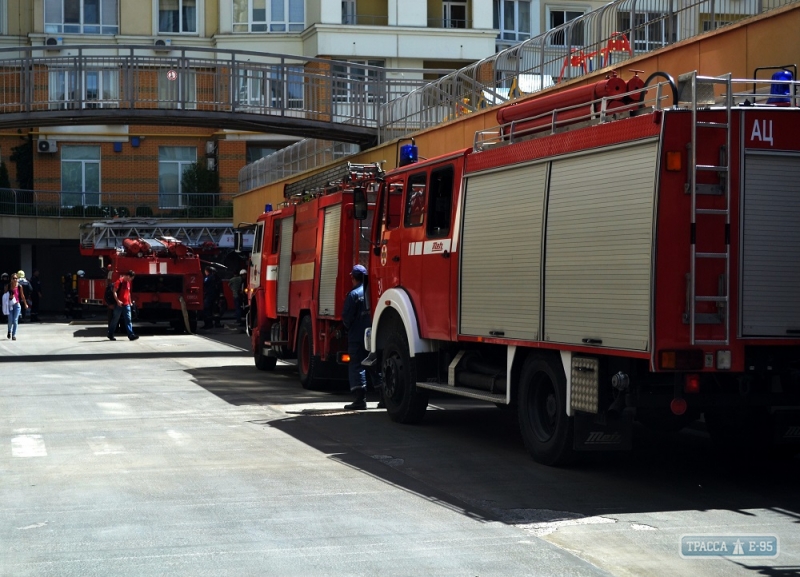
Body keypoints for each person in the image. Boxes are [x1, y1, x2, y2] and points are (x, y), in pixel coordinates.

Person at [342, 264, 375, 410]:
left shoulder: (353, 294)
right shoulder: (371, 292)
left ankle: (360, 400)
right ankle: (384, 397)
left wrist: (348, 328)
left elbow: (347, 318)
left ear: (353, 277)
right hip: (371, 334)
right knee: (374, 364)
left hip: (356, 336)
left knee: (357, 365)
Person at [107, 270, 139, 341]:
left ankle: (131, 335)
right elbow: (114, 291)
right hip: (119, 305)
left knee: (128, 320)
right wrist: (118, 301)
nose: (131, 280)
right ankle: (110, 334)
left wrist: (130, 302)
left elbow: (128, 293)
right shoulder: (119, 281)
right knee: (115, 319)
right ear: (128, 276)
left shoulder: (128, 282)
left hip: (126, 304)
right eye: (131, 278)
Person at [4, 273, 29, 340]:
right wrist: (9, 297)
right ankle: (9, 330)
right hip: (9, 305)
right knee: (10, 320)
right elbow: (4, 296)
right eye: (13, 278)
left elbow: (22, 296)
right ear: (11, 279)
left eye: (16, 278)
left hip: (17, 305)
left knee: (15, 320)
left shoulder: (19, 286)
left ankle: (14, 334)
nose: (15, 280)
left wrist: (25, 304)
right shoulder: (8, 286)